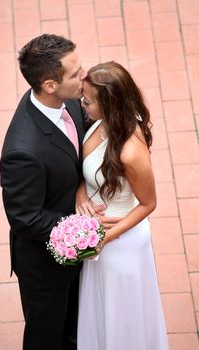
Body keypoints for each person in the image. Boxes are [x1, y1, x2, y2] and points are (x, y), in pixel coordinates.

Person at [0, 33, 88, 350]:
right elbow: (25, 218)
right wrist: (84, 229)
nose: (84, 76)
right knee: (47, 337)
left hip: (77, 257)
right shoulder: (22, 151)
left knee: (77, 329)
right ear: (50, 85)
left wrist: (81, 186)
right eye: (76, 73)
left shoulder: (69, 100)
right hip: (46, 268)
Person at [76, 61, 169, 349]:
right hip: (99, 236)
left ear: (109, 104)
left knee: (122, 319)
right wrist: (81, 195)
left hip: (121, 242)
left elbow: (148, 203)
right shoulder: (99, 122)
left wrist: (104, 238)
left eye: (88, 100)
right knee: (102, 312)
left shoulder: (130, 151)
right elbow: (89, 172)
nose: (82, 103)